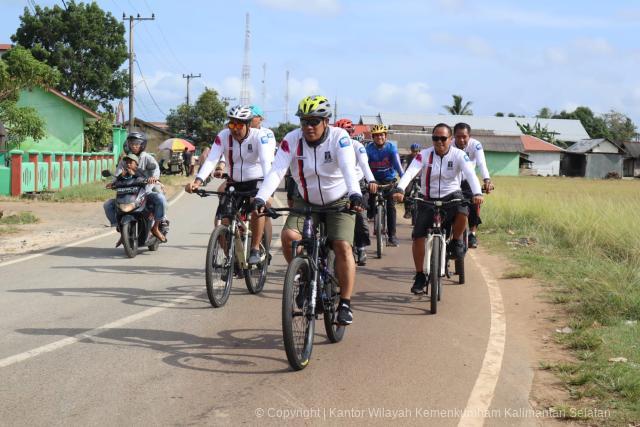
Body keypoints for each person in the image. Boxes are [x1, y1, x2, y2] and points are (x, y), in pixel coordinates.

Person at [252, 95, 363, 325]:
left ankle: (345, 302)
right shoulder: (292, 140)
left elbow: (348, 168)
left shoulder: (339, 137)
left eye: (314, 121)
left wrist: (355, 194)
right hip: (307, 202)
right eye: (304, 122)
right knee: (289, 236)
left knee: (342, 245)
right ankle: (303, 276)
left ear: (326, 121)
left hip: (339, 200)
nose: (308, 127)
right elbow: (277, 170)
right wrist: (262, 197)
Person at [392, 123, 483, 294]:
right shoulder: (424, 155)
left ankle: (456, 240)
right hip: (428, 199)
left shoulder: (459, 155)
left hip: (451, 197)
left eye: (443, 138)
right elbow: (410, 172)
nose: (439, 142)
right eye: (435, 138)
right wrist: (400, 188)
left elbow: (470, 174)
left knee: (464, 210)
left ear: (451, 139)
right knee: (418, 236)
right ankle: (420, 275)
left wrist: (477, 193)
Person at [185, 105, 275, 265]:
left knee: (257, 210)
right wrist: (197, 181)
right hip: (235, 182)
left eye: (239, 125)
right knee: (223, 221)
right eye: (231, 124)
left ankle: (255, 248)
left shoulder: (260, 137)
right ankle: (231, 257)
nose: (234, 129)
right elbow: (212, 159)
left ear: (248, 124)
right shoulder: (223, 136)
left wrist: (267, 191)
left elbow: (266, 164)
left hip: (258, 181)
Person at [104, 132, 169, 244]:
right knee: (108, 205)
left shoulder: (147, 158)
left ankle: (157, 226)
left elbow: (156, 170)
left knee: (160, 198)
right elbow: (118, 174)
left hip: (146, 190)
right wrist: (113, 182)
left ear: (142, 145)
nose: (134, 146)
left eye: (137, 143)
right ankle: (120, 230)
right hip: (128, 191)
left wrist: (153, 178)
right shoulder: (124, 161)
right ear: (128, 144)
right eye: (132, 143)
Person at [335, 118, 377, 266]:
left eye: (348, 132)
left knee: (360, 218)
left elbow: (365, 164)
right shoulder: (331, 144)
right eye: (342, 132)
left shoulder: (357, 145)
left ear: (352, 133)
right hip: (339, 186)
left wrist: (371, 180)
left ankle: (361, 247)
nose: (345, 135)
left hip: (358, 186)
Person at [453, 123, 493, 248]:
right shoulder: (449, 144)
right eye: (458, 137)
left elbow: (481, 163)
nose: (461, 140)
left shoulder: (475, 145)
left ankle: (472, 234)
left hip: (469, 182)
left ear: (469, 136)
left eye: (464, 137)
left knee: (475, 203)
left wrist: (486, 180)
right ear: (454, 136)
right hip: (452, 181)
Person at [366, 124, 404, 246]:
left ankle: (392, 236)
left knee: (391, 207)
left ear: (385, 136)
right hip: (374, 180)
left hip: (389, 180)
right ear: (373, 137)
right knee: (369, 198)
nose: (379, 137)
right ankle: (372, 213)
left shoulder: (391, 148)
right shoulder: (368, 149)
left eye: (381, 135)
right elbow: (364, 166)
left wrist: (404, 180)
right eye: (376, 136)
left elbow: (398, 166)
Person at [403, 143, 422, 219]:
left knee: (423, 193)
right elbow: (403, 166)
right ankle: (407, 211)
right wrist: (403, 175)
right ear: (411, 151)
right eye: (414, 151)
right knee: (407, 192)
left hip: (420, 177)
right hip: (410, 177)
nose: (415, 153)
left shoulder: (423, 157)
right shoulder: (407, 157)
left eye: (417, 151)